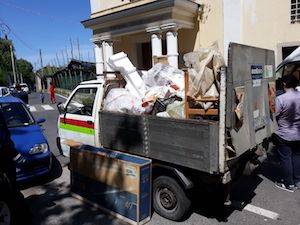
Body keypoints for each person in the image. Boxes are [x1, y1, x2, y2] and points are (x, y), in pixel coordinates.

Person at [272, 74, 300, 192]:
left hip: (284, 134)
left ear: (284, 84)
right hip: (298, 133)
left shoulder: (281, 99)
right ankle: (297, 180)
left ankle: (289, 184)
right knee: (297, 156)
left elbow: (275, 114)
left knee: (286, 158)